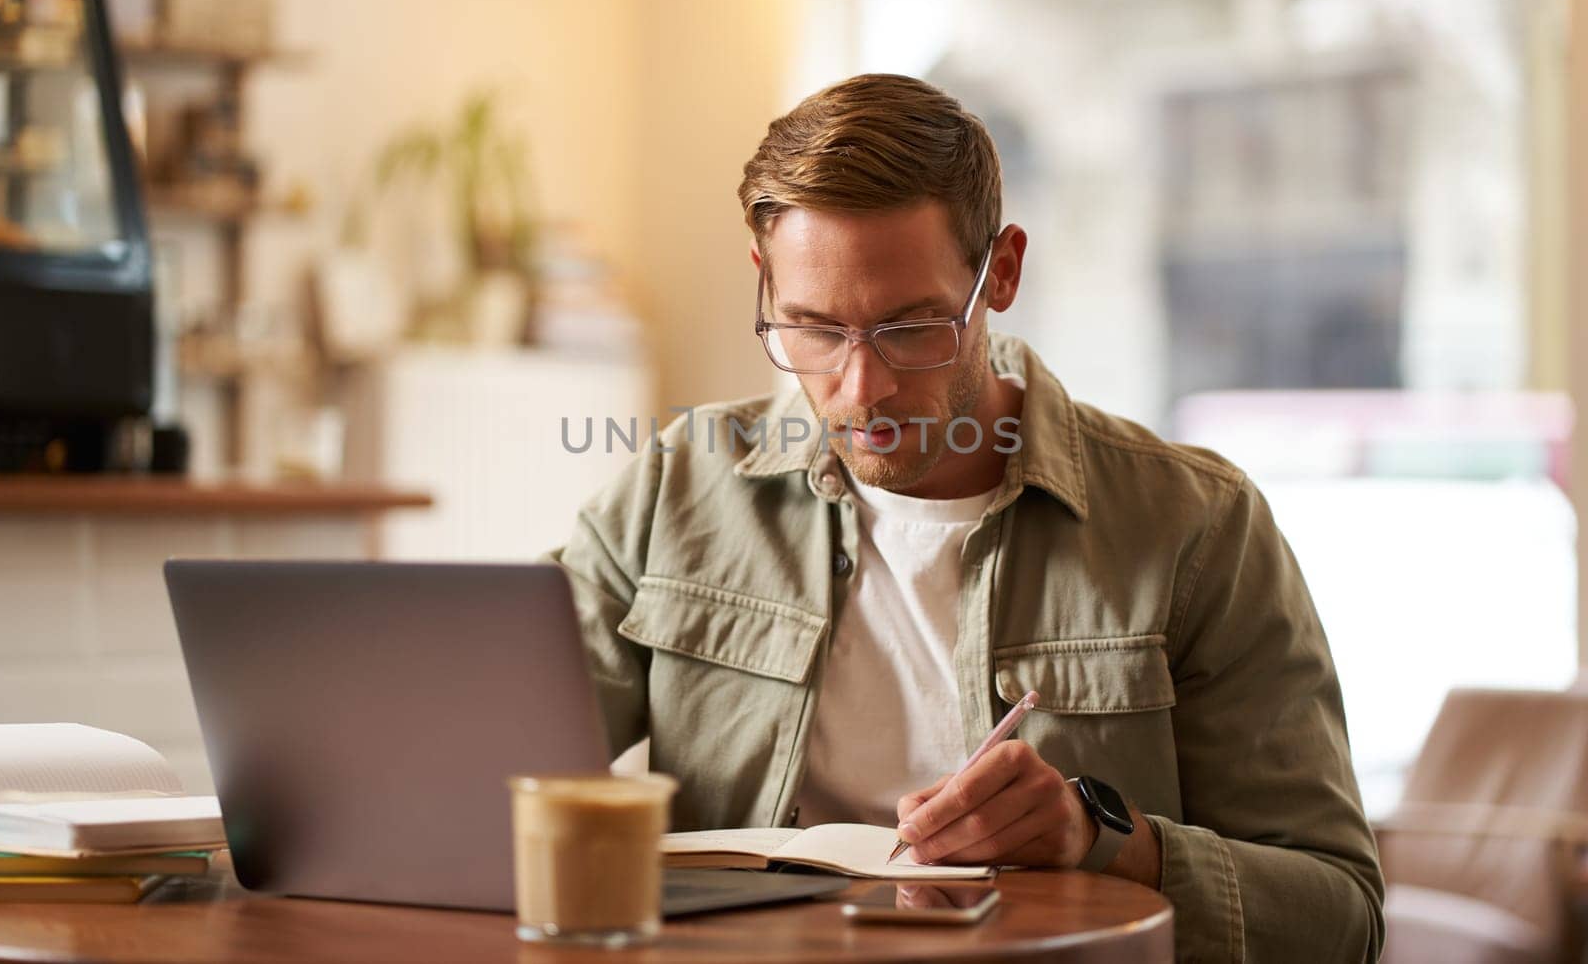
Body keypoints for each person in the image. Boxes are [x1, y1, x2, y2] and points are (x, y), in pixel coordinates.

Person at [551, 73, 1383, 962]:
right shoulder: (676, 490)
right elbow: (488, 758)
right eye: (815, 330)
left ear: (1005, 270)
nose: (860, 388)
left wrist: (1105, 838)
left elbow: (1341, 918)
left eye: (911, 328)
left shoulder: (1198, 527)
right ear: (765, 280)